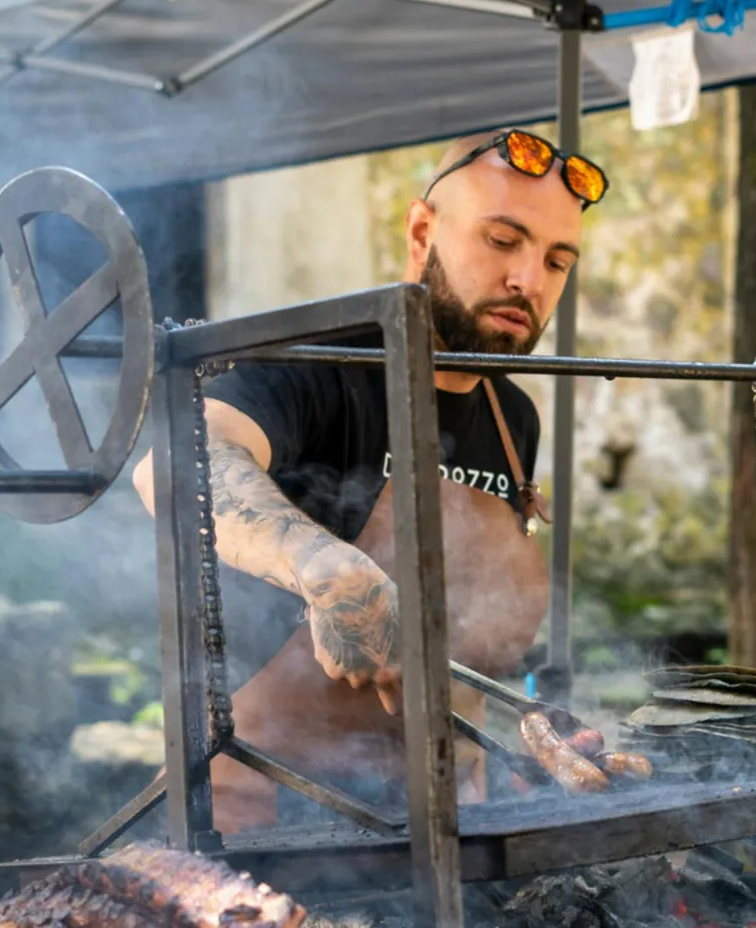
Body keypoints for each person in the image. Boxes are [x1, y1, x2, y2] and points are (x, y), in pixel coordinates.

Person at [133, 128, 607, 831]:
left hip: (442, 824)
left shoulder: (513, 418)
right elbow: (176, 464)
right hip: (268, 822)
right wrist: (327, 567)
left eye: (557, 260)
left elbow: (471, 644)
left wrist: (506, 753)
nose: (528, 281)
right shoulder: (322, 365)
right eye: (503, 241)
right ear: (423, 231)